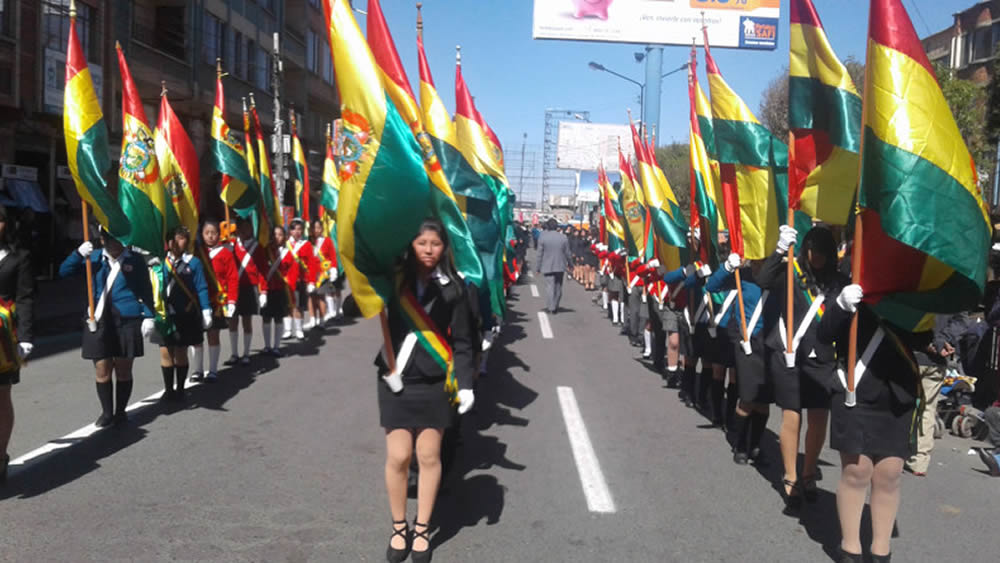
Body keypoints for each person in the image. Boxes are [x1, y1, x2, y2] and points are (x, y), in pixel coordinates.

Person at [378, 219, 477, 563]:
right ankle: (398, 525)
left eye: (435, 244)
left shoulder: (454, 288)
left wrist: (466, 384)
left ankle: (422, 527)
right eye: (422, 244)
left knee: (430, 456)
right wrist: (362, 291)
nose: (429, 251)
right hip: (397, 377)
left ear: (444, 247)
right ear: (411, 246)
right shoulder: (393, 281)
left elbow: (465, 341)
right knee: (399, 456)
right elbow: (355, 307)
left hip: (435, 381)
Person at [819, 283, 923, 563]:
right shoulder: (849, 284)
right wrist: (840, 305)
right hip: (856, 389)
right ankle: (850, 549)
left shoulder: (912, 285)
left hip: (897, 394)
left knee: (889, 474)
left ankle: (881, 552)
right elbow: (824, 333)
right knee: (857, 471)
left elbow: (925, 337)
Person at [757, 225, 846, 509]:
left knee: (819, 419)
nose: (815, 255)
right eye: (811, 249)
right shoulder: (792, 274)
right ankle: (791, 475)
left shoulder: (839, 283)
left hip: (822, 359)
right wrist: (781, 250)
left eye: (821, 250)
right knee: (791, 416)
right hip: (788, 354)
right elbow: (763, 279)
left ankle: (809, 473)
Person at [60, 227, 153, 426]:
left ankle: (121, 412)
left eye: (119, 240)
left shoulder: (134, 260)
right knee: (102, 369)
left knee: (123, 369)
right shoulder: (92, 258)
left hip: (127, 319)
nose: (115, 244)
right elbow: (64, 272)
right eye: (111, 240)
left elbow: (146, 289)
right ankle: (107, 412)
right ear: (102, 240)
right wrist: (77, 254)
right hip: (98, 318)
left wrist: (149, 316)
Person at [707, 253, 772, 465]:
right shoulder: (742, 274)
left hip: (771, 344)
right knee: (747, 397)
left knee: (763, 401)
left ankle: (755, 445)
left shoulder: (778, 276)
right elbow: (712, 286)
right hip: (747, 341)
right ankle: (740, 444)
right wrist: (727, 266)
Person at [150, 226, 212, 402]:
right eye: (174, 239)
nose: (178, 242)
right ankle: (168, 389)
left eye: (182, 238)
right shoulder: (160, 263)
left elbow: (201, 287)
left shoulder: (193, 262)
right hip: (164, 314)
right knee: (165, 352)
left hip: (184, 313)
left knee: (180, 352)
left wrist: (206, 310)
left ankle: (180, 388)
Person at [907, 314, 968, 476]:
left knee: (902, 403)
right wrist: (942, 340)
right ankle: (920, 460)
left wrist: (931, 341)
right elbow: (961, 321)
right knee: (927, 409)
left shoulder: (920, 289)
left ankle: (892, 453)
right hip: (936, 359)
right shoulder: (957, 291)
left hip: (911, 353)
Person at [0, 204, 33, 481]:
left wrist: (25, 337)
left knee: (1, 397)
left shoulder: (18, 258)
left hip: (4, 339)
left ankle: (0, 456)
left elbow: (25, 298)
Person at [190, 220, 239, 382]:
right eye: (207, 233)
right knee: (196, 338)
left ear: (219, 235)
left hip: (217, 301)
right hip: (197, 300)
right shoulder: (196, 253)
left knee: (213, 335)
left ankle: (212, 370)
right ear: (201, 234)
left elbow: (232, 277)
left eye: (214, 233)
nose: (210, 236)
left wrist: (232, 301)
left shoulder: (225, 253)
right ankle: (197, 369)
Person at [230, 218, 268, 365]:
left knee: (247, 321)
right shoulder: (231, 245)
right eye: (243, 228)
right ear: (238, 229)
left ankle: (246, 353)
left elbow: (263, 269)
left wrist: (263, 291)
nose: (246, 231)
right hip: (235, 288)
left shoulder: (256, 247)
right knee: (233, 321)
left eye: (249, 228)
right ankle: (234, 353)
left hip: (249, 288)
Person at [263, 226, 297, 355]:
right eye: (275, 234)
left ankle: (276, 346)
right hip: (267, 289)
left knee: (278, 318)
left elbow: (293, 272)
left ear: (285, 237)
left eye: (280, 234)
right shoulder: (266, 251)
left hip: (280, 290)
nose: (277, 237)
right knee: (266, 318)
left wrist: (289, 285)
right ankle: (267, 346)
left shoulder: (287, 253)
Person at [285, 218, 320, 337]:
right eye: (294, 229)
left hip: (300, 280)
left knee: (299, 305)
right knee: (287, 306)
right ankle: (288, 329)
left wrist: (311, 282)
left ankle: (299, 329)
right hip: (286, 281)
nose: (297, 232)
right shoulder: (285, 244)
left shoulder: (306, 245)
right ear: (290, 231)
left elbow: (312, 264)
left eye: (300, 229)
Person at [536, 219, 571, 314]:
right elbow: (567, 253)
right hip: (560, 265)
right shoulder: (563, 237)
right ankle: (555, 304)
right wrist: (570, 264)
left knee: (550, 287)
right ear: (557, 227)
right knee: (558, 286)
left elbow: (539, 254)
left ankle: (551, 307)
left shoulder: (542, 237)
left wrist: (538, 267)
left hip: (547, 265)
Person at [309, 220, 340, 324]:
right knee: (312, 297)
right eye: (314, 228)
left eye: (318, 228)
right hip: (311, 274)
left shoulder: (327, 241)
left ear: (322, 229)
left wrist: (333, 269)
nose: (316, 230)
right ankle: (313, 319)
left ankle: (322, 320)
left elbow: (333, 256)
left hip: (323, 273)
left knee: (322, 296)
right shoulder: (309, 242)